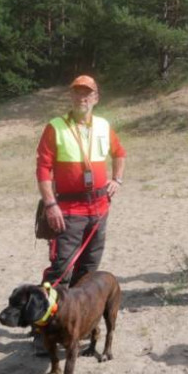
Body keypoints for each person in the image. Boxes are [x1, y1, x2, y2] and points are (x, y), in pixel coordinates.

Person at [36, 75, 126, 288]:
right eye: (77, 92)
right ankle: (49, 318)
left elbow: (119, 153)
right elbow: (42, 169)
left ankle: (78, 318)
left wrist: (117, 180)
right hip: (68, 211)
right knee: (61, 269)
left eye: (87, 93)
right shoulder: (55, 127)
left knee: (89, 269)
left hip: (99, 208)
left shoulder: (103, 125)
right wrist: (50, 205)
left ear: (96, 98)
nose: (82, 97)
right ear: (70, 96)